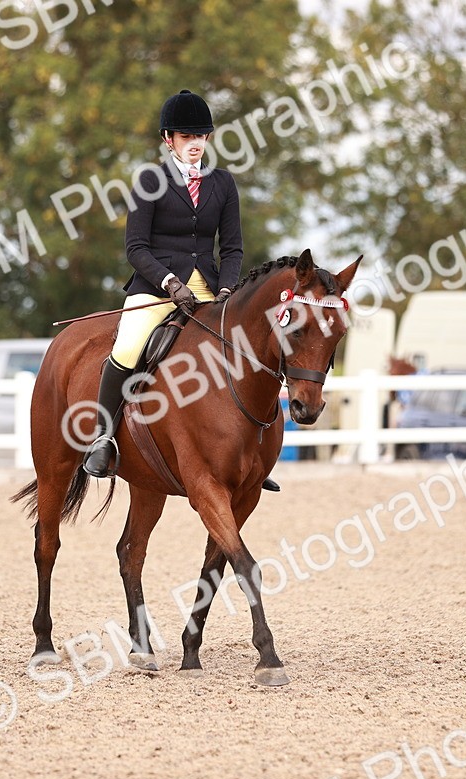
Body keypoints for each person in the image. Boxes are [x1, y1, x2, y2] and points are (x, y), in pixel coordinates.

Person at [82, 88, 280, 492]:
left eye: (201, 137)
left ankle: (254, 452)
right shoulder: (150, 180)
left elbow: (232, 247)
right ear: (168, 139)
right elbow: (135, 248)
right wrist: (169, 283)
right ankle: (102, 438)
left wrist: (227, 290)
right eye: (187, 137)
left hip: (209, 289)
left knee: (246, 350)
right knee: (128, 346)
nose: (195, 145)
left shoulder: (222, 183)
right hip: (156, 287)